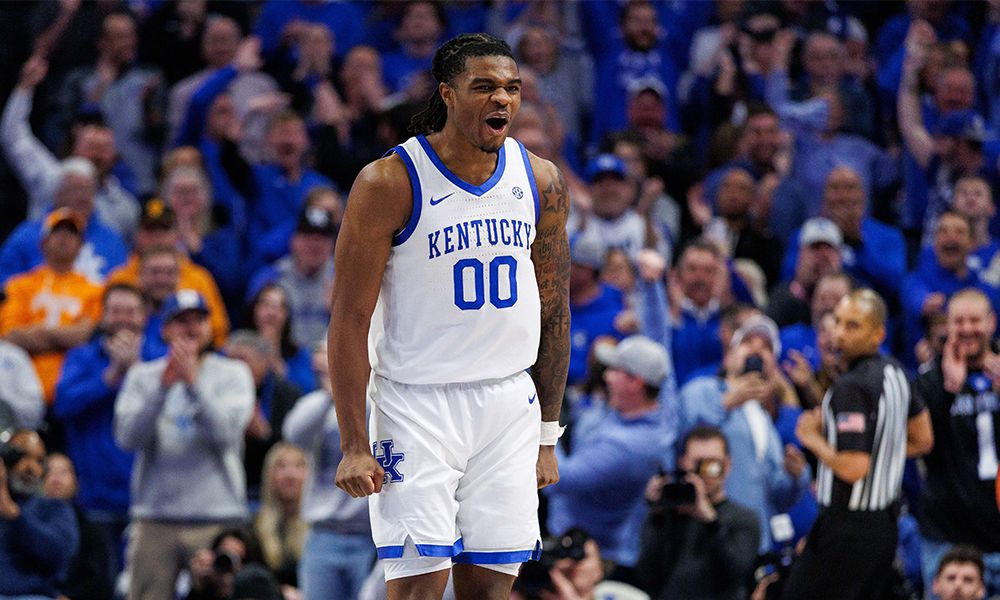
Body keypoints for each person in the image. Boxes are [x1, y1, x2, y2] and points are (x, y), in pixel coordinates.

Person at [329, 33, 570, 600]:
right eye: (483, 87)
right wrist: (353, 443)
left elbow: (555, 310)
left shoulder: (540, 180)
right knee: (417, 591)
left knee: (490, 592)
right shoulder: (389, 181)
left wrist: (546, 434)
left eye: (511, 89)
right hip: (416, 405)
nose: (502, 101)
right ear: (448, 94)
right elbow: (348, 319)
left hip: (508, 404)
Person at [782, 289, 935, 600]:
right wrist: (875, 451)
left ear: (878, 334)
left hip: (847, 528)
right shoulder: (894, 372)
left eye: (853, 326)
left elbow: (853, 468)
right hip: (884, 526)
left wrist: (814, 440)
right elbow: (923, 439)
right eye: (838, 322)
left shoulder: (851, 387)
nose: (840, 333)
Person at [114, 290, 255, 600]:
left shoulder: (234, 374)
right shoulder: (143, 376)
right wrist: (162, 390)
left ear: (210, 326)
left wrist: (193, 384)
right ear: (164, 330)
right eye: (181, 321)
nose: (191, 328)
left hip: (215, 518)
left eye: (199, 320)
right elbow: (127, 439)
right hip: (154, 519)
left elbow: (226, 436)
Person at [543, 336, 675, 574]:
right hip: (566, 540)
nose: (606, 376)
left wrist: (545, 423)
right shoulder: (630, 409)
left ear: (635, 382)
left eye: (615, 370)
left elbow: (553, 479)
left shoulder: (631, 446)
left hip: (587, 559)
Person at [678, 315, 809, 552]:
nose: (757, 348)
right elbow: (683, 436)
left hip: (752, 545)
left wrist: (796, 476)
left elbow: (777, 497)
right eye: (748, 342)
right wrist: (727, 402)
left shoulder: (764, 422)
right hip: (701, 535)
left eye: (767, 347)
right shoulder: (702, 389)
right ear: (728, 358)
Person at [912, 289, 1000, 595]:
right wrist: (949, 389)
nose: (967, 329)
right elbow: (920, 443)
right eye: (958, 321)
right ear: (948, 326)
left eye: (974, 320)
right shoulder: (929, 379)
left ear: (991, 322)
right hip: (946, 536)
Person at [53, 283, 152, 549]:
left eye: (131, 311)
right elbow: (62, 405)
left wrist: (136, 372)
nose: (123, 318)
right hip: (92, 497)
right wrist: (110, 376)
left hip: (148, 500)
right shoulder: (80, 358)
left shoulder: (158, 358)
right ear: (103, 315)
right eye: (115, 311)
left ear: (144, 316)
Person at [1, 54, 139, 237]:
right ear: (74, 149)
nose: (97, 157)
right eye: (91, 147)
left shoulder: (123, 203)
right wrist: (25, 88)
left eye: (104, 149)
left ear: (114, 155)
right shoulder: (51, 178)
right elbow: (14, 137)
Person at [283, 341, 375, 600]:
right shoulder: (314, 404)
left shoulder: (375, 400)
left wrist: (350, 383)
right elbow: (293, 435)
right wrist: (333, 393)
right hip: (323, 534)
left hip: (369, 536)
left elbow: (371, 412)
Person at [636, 426, 760, 600]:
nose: (705, 473)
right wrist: (657, 515)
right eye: (697, 464)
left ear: (727, 465)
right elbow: (647, 575)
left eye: (713, 465)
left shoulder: (744, 518)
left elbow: (736, 573)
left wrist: (711, 521)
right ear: (683, 463)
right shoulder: (668, 514)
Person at [0, 209, 103, 404]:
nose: (64, 237)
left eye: (71, 233)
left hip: (73, 389)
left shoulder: (96, 291)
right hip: (20, 390)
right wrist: (66, 337)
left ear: (81, 245)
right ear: (42, 243)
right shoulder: (18, 286)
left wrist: (34, 334)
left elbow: (86, 336)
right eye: (57, 231)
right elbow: (10, 335)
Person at [106, 199, 230, 349]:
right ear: (138, 234)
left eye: (164, 230)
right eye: (150, 230)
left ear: (177, 234)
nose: (158, 238)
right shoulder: (120, 278)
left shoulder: (199, 277)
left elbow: (218, 332)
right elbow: (104, 327)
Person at [224, 329, 302, 503]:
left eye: (242, 360)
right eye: (230, 360)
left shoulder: (287, 394)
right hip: (228, 487)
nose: (234, 368)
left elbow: (294, 446)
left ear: (264, 361)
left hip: (272, 491)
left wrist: (264, 434)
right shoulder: (220, 393)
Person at [0, 430, 80, 598]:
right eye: (22, 456)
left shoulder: (54, 508)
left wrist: (14, 515)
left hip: (31, 595)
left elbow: (59, 553)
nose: (31, 467)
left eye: (39, 461)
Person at [247, 206, 338, 348]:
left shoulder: (342, 279)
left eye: (322, 238)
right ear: (293, 240)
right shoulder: (271, 277)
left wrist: (340, 312)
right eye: (308, 236)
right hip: (283, 359)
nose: (315, 245)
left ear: (332, 244)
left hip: (328, 360)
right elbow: (250, 329)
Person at [43, 453, 116, 600]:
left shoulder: (93, 532)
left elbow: (100, 583)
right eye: (49, 471)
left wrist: (68, 596)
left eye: (63, 472)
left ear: (77, 483)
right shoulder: (26, 523)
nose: (56, 478)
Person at [767, 217, 843, 329]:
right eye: (815, 248)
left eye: (828, 249)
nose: (822, 256)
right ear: (800, 255)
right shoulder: (782, 299)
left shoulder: (851, 296)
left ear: (839, 256)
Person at [670, 240, 725, 386]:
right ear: (677, 274)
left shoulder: (729, 318)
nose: (700, 278)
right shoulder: (666, 318)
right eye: (692, 269)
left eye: (708, 271)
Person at [254, 443, 308, 587]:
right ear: (269, 475)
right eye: (281, 466)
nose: (290, 475)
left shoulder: (320, 527)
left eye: (298, 466)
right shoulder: (254, 528)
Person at [249, 283, 317, 393]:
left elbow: (306, 391)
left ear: (287, 315)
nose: (271, 313)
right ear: (254, 309)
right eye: (266, 305)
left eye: (279, 307)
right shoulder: (236, 346)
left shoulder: (299, 355)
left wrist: (279, 367)